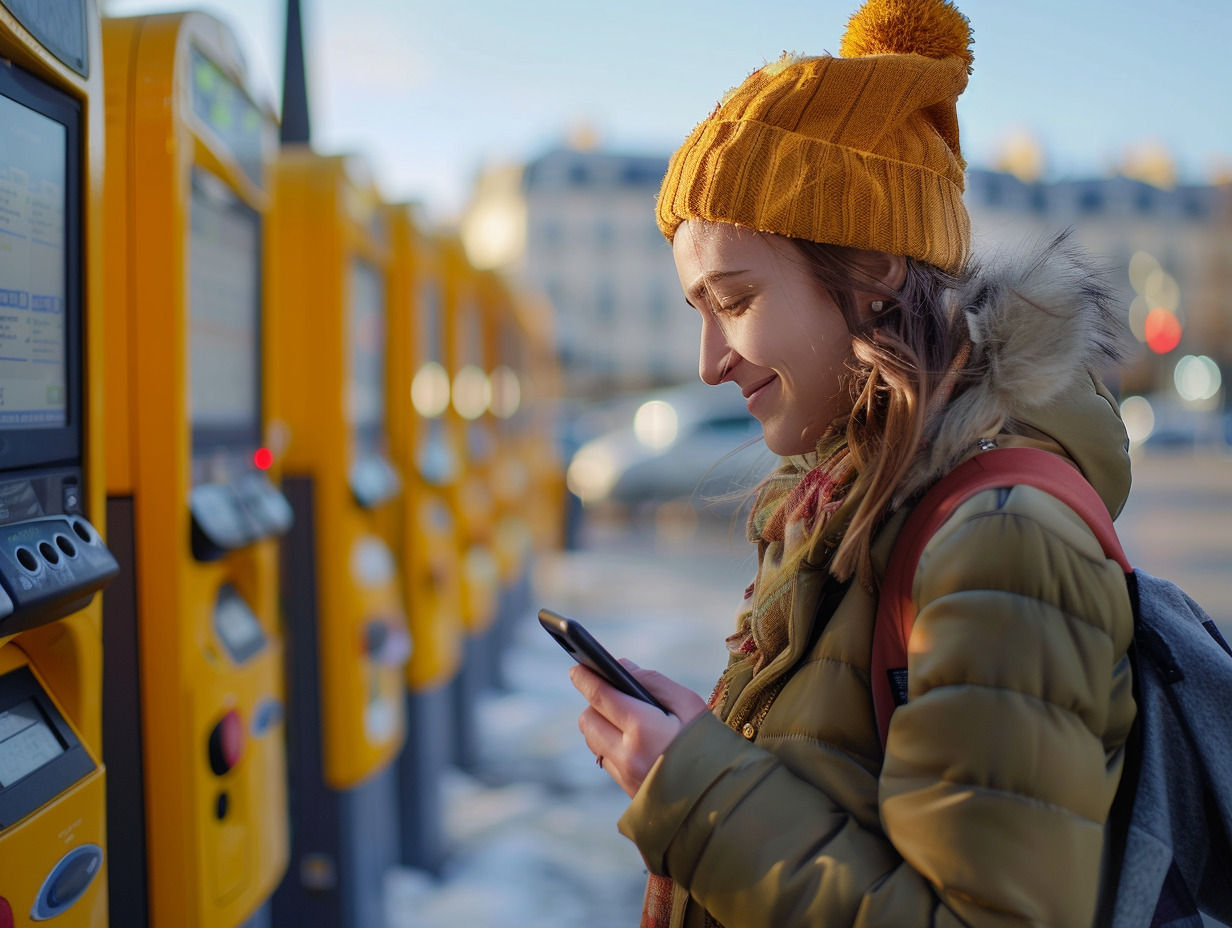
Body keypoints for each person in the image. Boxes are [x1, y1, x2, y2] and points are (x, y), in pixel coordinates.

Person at [567, 1, 1137, 926]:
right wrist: (698, 755)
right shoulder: (851, 501)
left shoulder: (1002, 546)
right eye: (695, 311)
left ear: (872, 268)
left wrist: (698, 794)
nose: (709, 362)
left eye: (736, 299)